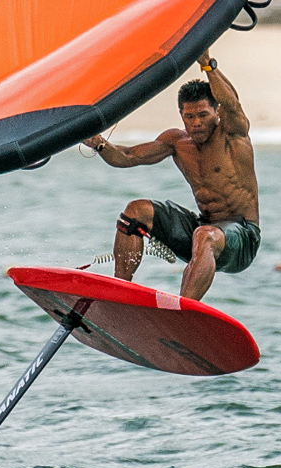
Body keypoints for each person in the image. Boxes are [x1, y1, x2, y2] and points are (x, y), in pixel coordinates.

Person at [83, 49, 260, 301]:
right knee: (136, 211)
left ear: (216, 113)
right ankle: (120, 292)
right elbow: (126, 157)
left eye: (203, 115)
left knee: (204, 235)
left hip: (241, 237)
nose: (196, 123)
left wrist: (207, 64)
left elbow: (232, 104)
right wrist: (99, 143)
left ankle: (182, 310)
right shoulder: (177, 142)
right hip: (203, 232)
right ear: (181, 115)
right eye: (190, 116)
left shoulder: (232, 134)